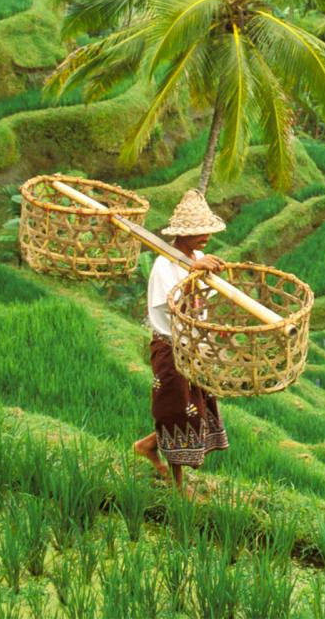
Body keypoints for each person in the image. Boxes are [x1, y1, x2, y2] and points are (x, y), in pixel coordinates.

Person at [133, 189, 230, 490]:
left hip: (193, 348)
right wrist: (192, 277)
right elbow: (176, 308)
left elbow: (205, 301)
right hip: (170, 347)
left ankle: (147, 445)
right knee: (176, 411)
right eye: (199, 232)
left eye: (207, 231)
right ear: (182, 235)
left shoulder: (198, 257)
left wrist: (216, 327)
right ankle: (177, 485)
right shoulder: (165, 266)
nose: (205, 237)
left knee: (194, 409)